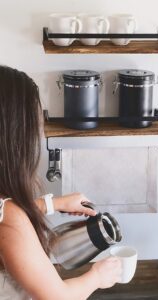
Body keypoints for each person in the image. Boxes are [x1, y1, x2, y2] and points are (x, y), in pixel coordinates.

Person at [0, 65, 122, 300]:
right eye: (37, 121)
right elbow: (58, 297)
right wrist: (97, 277)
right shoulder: (10, 219)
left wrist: (53, 203)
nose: (40, 129)